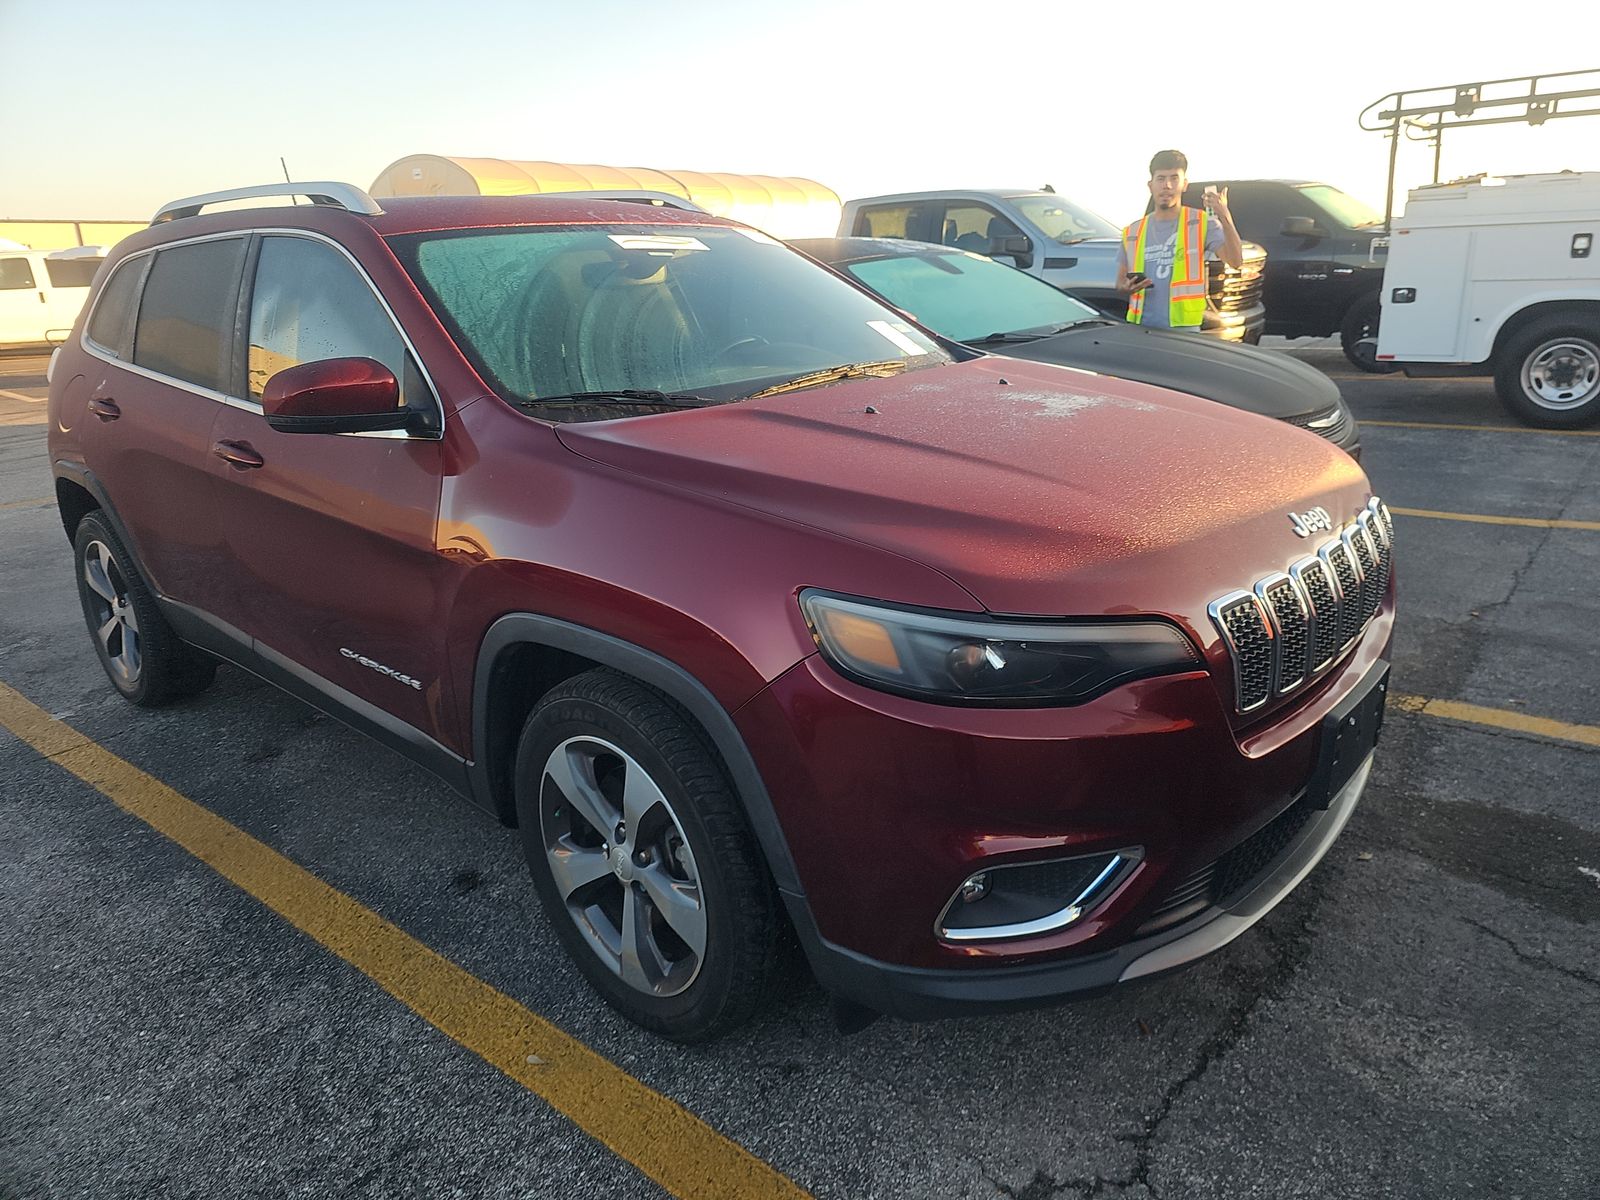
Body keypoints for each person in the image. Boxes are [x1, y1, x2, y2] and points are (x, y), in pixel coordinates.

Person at [1116, 149, 1243, 332]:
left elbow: (1236, 261)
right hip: (1141, 329)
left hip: (1184, 331)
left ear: (1184, 184)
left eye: (1174, 178)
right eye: (1160, 179)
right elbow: (1119, 284)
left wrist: (1225, 217)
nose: (1167, 185)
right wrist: (1126, 287)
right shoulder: (1132, 231)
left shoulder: (1201, 223)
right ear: (1150, 185)